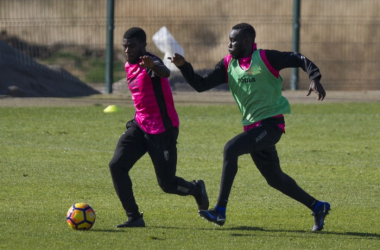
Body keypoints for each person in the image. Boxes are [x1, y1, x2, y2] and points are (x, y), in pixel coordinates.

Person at [169, 23, 330, 231]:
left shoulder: (265, 58)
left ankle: (220, 210)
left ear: (246, 41)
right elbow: (200, 85)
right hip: (253, 130)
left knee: (230, 149)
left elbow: (297, 58)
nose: (229, 44)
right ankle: (318, 206)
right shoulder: (228, 64)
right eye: (229, 40)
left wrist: (314, 77)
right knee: (275, 179)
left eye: (233, 41)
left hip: (271, 126)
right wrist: (184, 66)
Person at [109, 27, 209, 228]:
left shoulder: (150, 62)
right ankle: (134, 217)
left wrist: (152, 66)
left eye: (132, 46)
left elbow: (164, 72)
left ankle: (196, 189)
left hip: (162, 130)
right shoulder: (129, 65)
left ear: (143, 46)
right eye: (125, 46)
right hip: (139, 125)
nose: (128, 50)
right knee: (116, 166)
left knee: (167, 184)